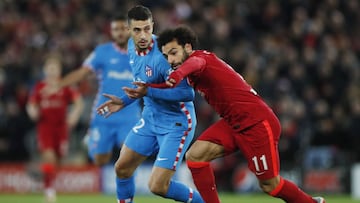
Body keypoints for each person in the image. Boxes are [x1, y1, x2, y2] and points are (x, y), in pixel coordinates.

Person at [125, 26, 326, 203]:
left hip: (256, 123)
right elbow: (173, 83)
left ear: (187, 47)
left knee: (270, 186)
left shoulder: (199, 59)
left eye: (174, 53)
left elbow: (194, 65)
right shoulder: (190, 68)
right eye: (166, 55)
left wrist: (177, 75)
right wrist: (148, 89)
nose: (170, 60)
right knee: (195, 156)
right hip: (233, 123)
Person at [96, 5, 204, 203]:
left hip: (176, 123)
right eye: (137, 30)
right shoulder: (131, 46)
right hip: (151, 119)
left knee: (158, 186)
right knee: (122, 168)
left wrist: (149, 91)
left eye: (147, 29)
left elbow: (187, 93)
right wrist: (124, 101)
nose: (143, 35)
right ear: (129, 31)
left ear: (153, 26)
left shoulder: (163, 56)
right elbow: (141, 86)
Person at [53, 14, 142, 166]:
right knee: (100, 159)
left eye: (123, 28)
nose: (119, 32)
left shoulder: (142, 53)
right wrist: (59, 84)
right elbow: (82, 72)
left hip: (129, 115)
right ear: (111, 32)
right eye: (115, 29)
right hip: (104, 114)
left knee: (130, 157)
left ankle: (124, 188)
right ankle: (92, 139)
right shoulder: (102, 52)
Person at [26, 54, 84, 203]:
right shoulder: (39, 87)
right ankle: (49, 192)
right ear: (45, 70)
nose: (52, 71)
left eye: (54, 68)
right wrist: (32, 111)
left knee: (57, 162)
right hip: (45, 128)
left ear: (59, 71)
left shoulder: (66, 86)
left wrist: (74, 115)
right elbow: (31, 104)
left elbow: (78, 103)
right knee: (49, 157)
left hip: (61, 129)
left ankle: (46, 180)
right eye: (49, 68)